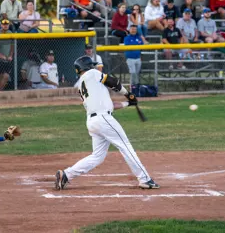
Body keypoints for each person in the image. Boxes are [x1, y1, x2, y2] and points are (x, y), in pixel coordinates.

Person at [55, 56, 159, 191]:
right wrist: (127, 93)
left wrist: (128, 103)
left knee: (97, 157)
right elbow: (113, 81)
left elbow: (109, 105)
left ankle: (66, 175)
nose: (95, 67)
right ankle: (145, 179)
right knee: (125, 146)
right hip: (102, 120)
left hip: (94, 121)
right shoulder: (92, 74)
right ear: (87, 67)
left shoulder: (82, 85)